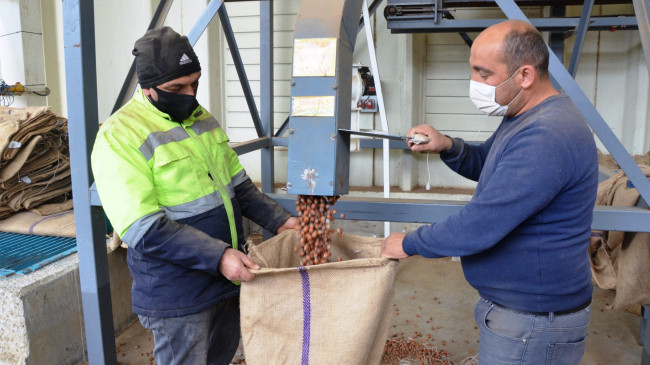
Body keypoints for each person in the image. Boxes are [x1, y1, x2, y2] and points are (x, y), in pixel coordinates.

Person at [382, 20, 598, 365]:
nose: (475, 84)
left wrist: (410, 242)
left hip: (533, 318)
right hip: (519, 311)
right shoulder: (525, 115)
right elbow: (488, 162)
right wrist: (447, 145)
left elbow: (481, 224)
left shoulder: (548, 134)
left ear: (524, 76)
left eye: (484, 75)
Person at [91, 26, 298, 365]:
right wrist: (218, 256)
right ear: (148, 88)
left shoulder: (202, 119)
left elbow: (239, 186)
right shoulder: (119, 136)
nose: (190, 95)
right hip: (178, 291)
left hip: (226, 279)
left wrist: (283, 220)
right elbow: (142, 228)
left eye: (194, 83)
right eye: (177, 88)